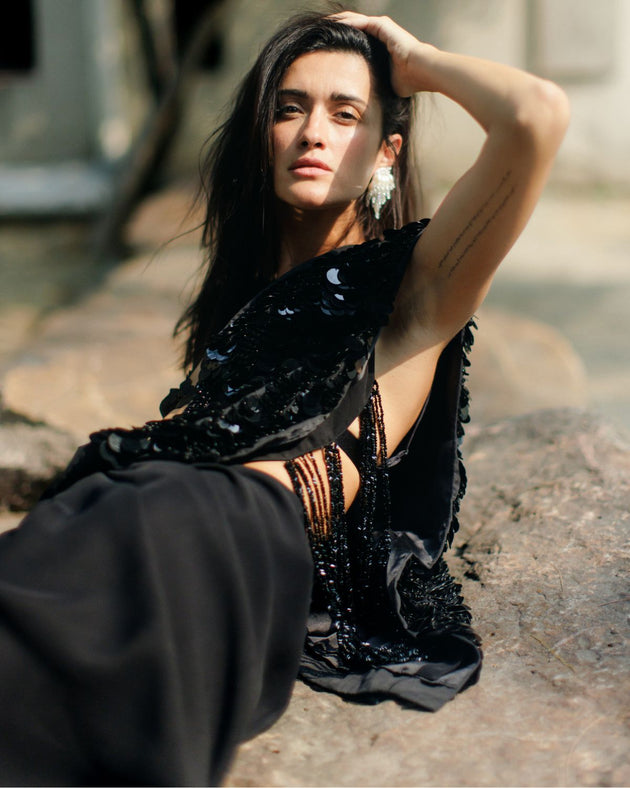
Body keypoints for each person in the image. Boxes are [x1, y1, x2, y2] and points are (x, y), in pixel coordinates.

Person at [0, 9, 569, 786]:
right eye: (290, 108)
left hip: (232, 530)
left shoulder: (415, 289)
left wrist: (414, 60)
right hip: (145, 511)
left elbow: (537, 114)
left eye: (346, 114)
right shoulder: (244, 302)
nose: (312, 133)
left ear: (387, 151)